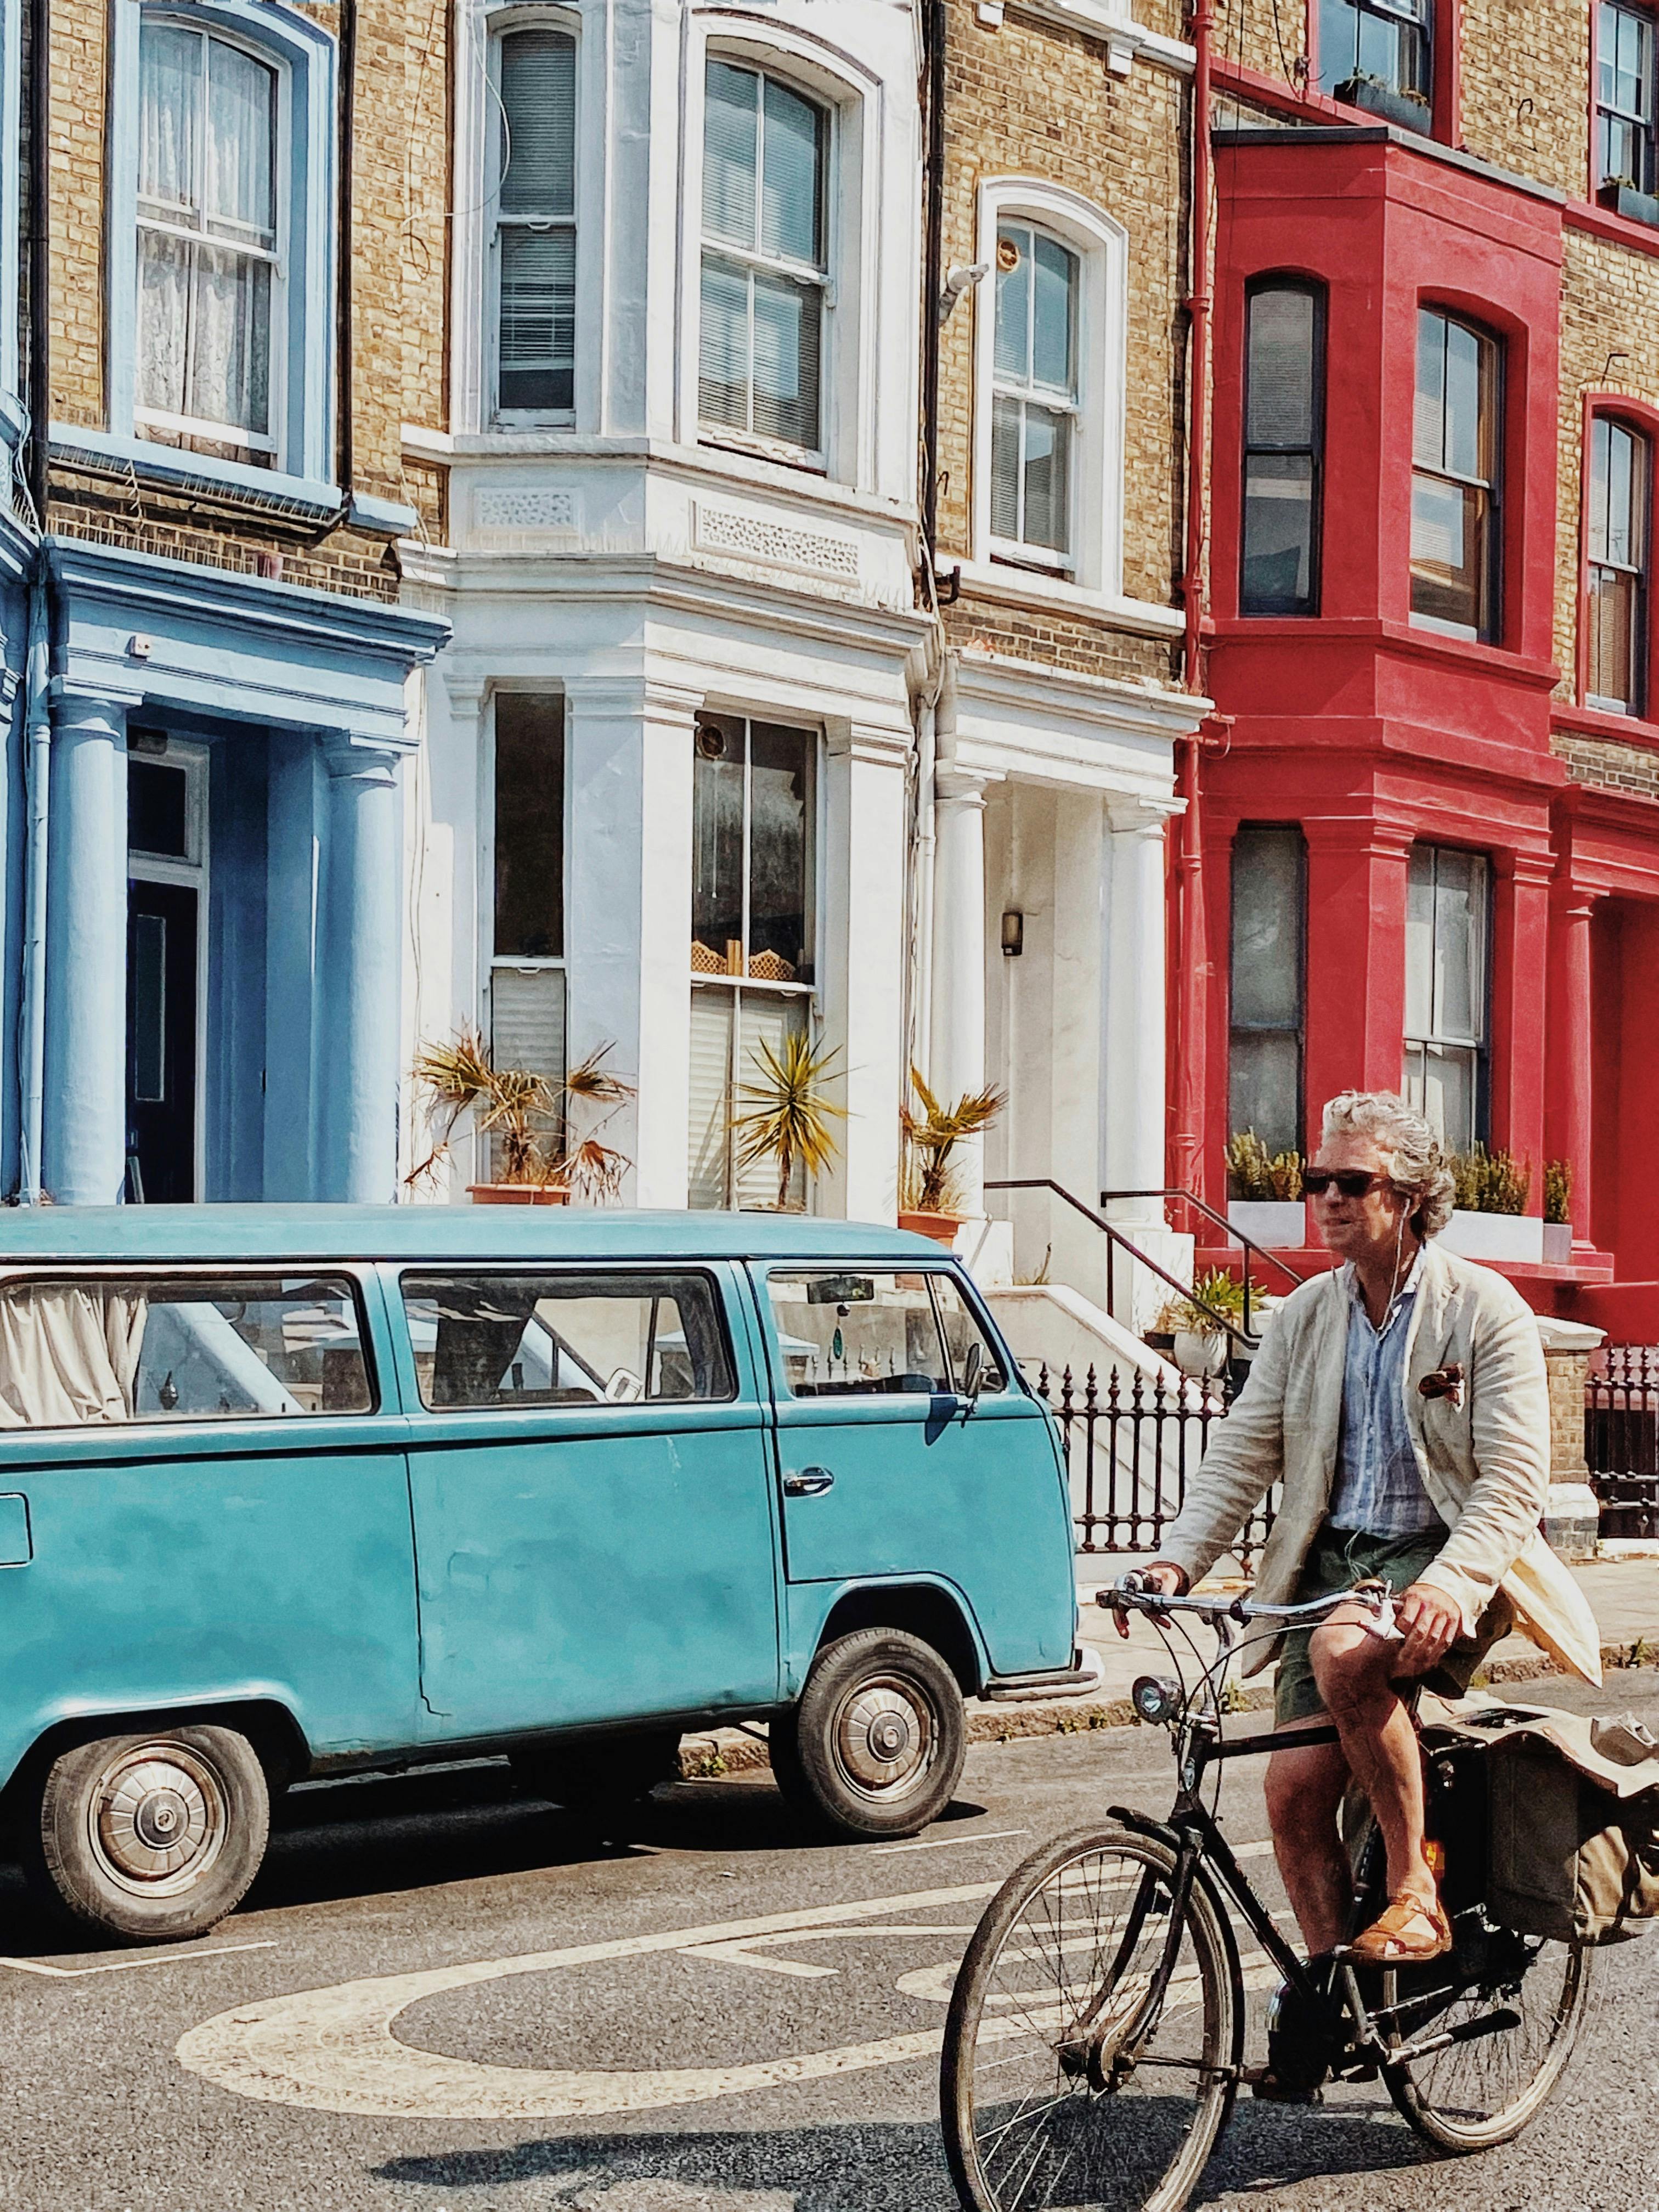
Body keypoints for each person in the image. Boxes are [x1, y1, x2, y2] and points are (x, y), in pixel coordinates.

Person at [1120, 1091, 1600, 1990]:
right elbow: (1243, 1452)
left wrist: (1451, 1585)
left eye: (1353, 1182)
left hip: (1440, 1556)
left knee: (1346, 1655)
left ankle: (1416, 1888)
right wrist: (1176, 1558)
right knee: (1292, 1793)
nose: (1329, 1198)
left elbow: (1511, 1482)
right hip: (1332, 1564)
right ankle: (1335, 1999)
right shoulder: (1307, 1314)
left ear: (1409, 1196)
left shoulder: (1482, 1309)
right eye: (1318, 1181)